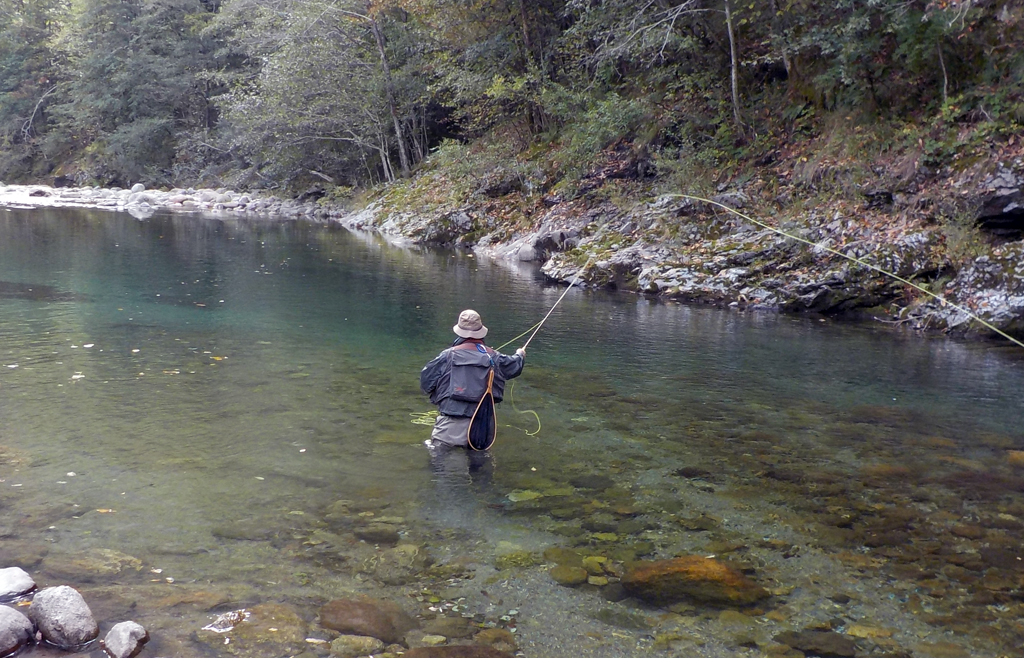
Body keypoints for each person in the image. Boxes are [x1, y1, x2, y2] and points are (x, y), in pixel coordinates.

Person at [420, 309, 526, 449]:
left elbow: (426, 383)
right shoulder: (494, 357)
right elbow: (514, 367)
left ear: (459, 331)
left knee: (444, 466)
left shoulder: (447, 356)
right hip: (482, 427)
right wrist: (520, 355)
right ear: (480, 330)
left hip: (450, 425)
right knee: (480, 467)